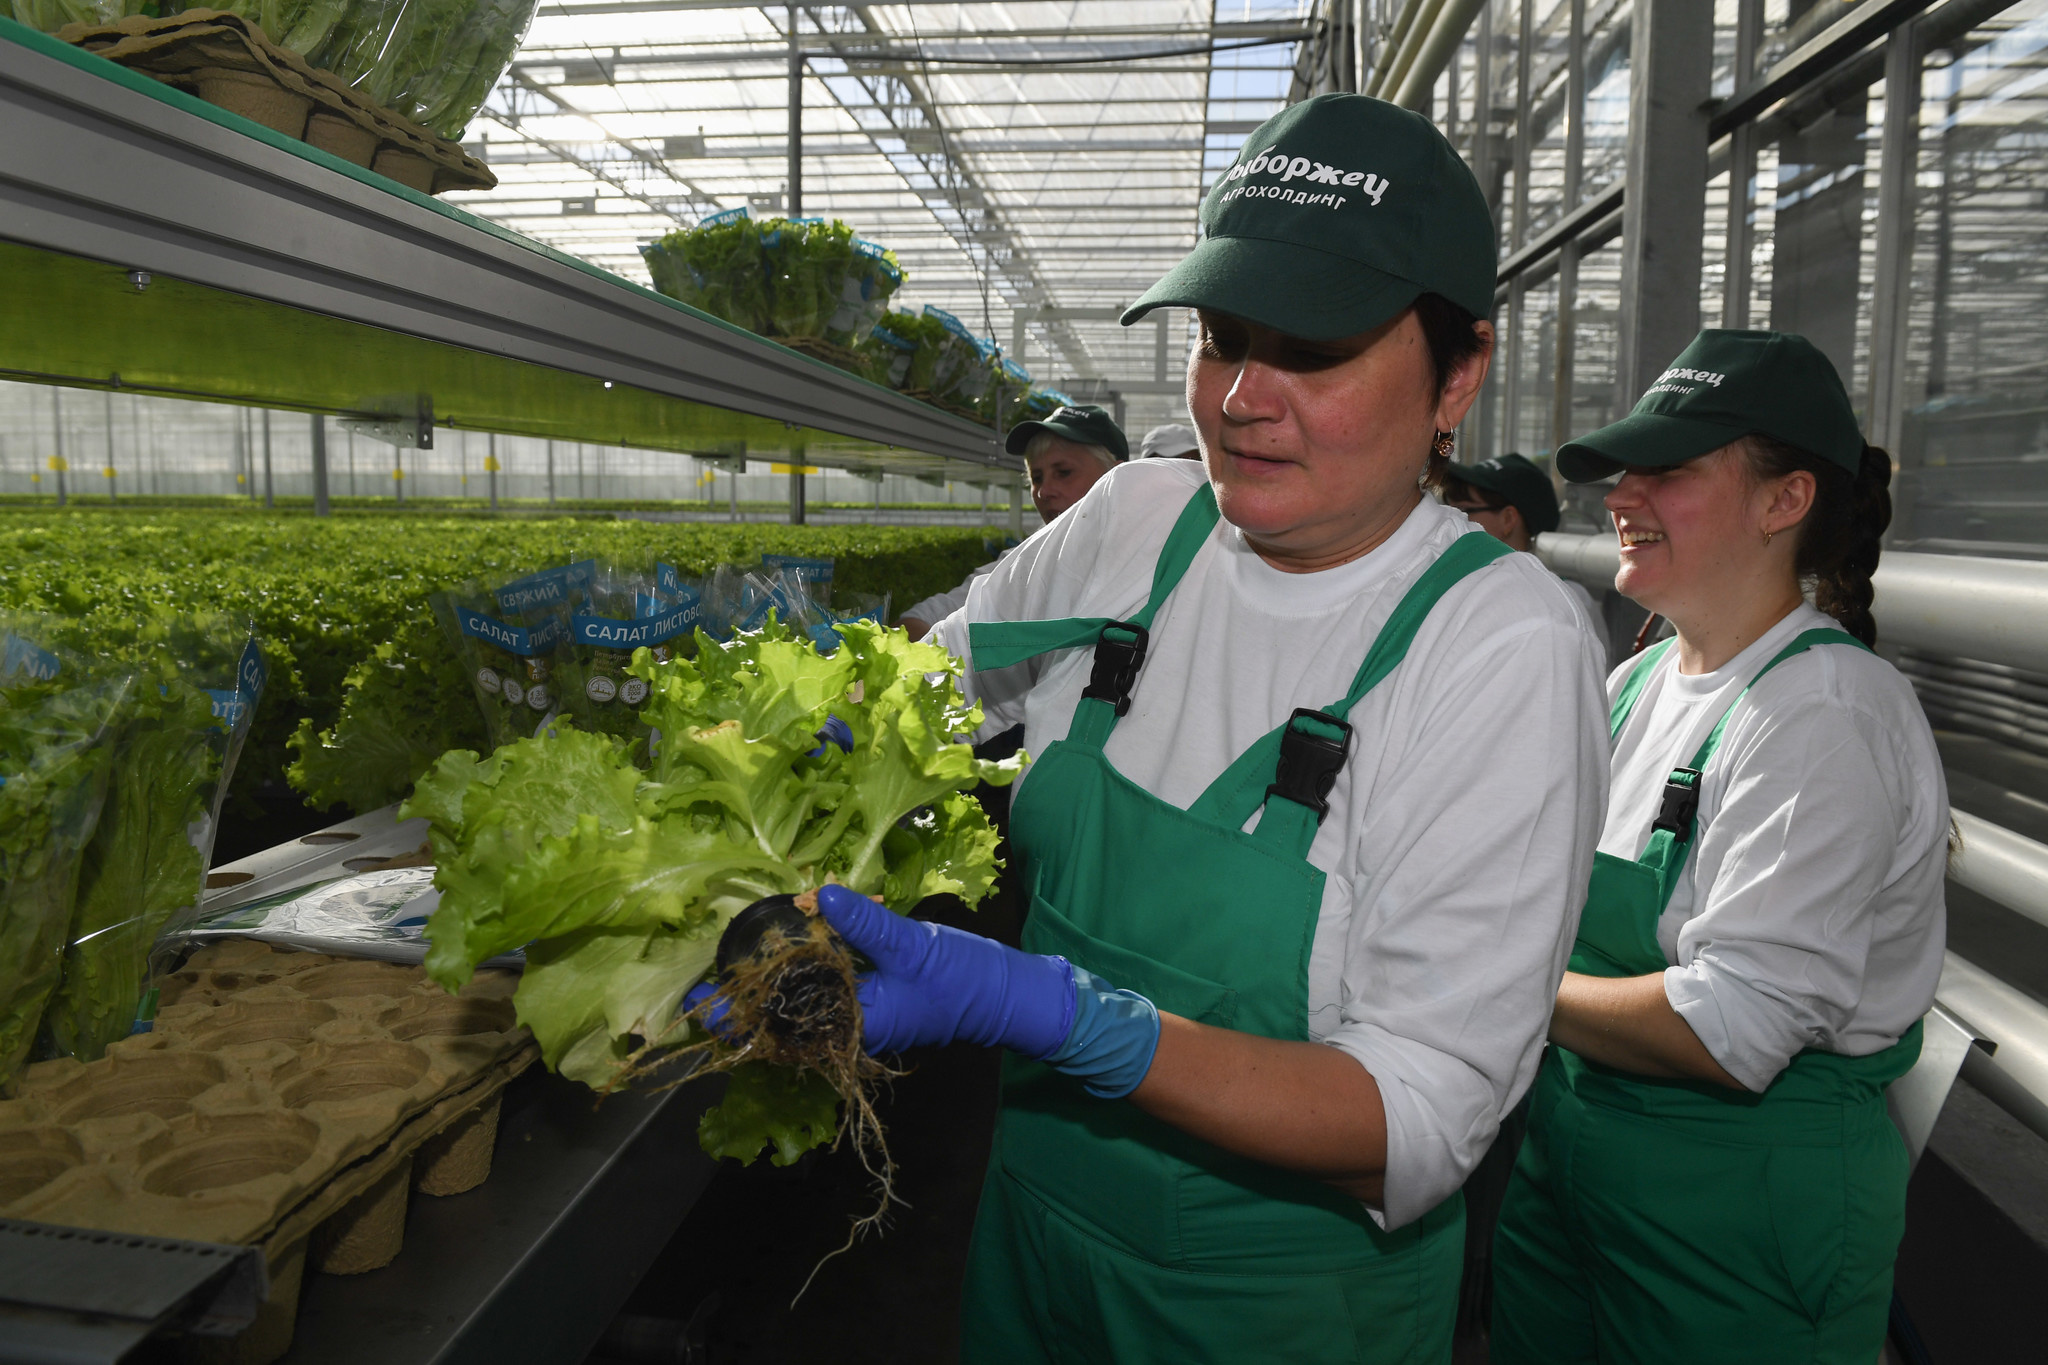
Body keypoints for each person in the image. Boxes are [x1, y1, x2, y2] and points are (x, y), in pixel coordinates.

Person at [803, 93, 1608, 1363]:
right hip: (1030, 1235)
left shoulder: (1499, 642)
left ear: (1457, 376)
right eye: (1221, 338)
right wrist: (779, 767)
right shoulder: (1133, 523)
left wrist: (1072, 1021)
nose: (1240, 398)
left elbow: (1422, 1112)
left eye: (1314, 352)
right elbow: (926, 697)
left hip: (1278, 1305)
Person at [1489, 330, 1948, 1365]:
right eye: (1622, 472)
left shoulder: (1821, 715)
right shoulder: (1636, 685)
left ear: (1782, 502)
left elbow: (1731, 1027)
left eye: (1668, 472)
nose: (1621, 496)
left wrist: (1506, 981)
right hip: (1573, 1160)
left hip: (1739, 1211)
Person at [896, 405, 1126, 641]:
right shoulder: (1023, 561)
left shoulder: (1148, 558)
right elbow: (917, 621)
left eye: (1064, 472)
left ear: (1118, 476)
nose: (1044, 491)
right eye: (1036, 478)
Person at [1441, 452, 1599, 621]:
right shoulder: (1456, 584)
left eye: (1463, 511)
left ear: (1508, 519)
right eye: (1447, 509)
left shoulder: (1559, 600)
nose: (1449, 520)